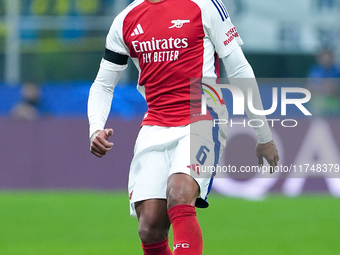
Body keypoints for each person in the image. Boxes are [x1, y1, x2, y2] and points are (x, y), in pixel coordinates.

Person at [87, 0, 279, 254]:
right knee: (150, 228)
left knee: (179, 193)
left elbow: (239, 67)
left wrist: (263, 133)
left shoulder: (204, 5)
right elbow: (103, 84)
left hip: (203, 117)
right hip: (155, 124)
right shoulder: (125, 20)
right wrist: (95, 128)